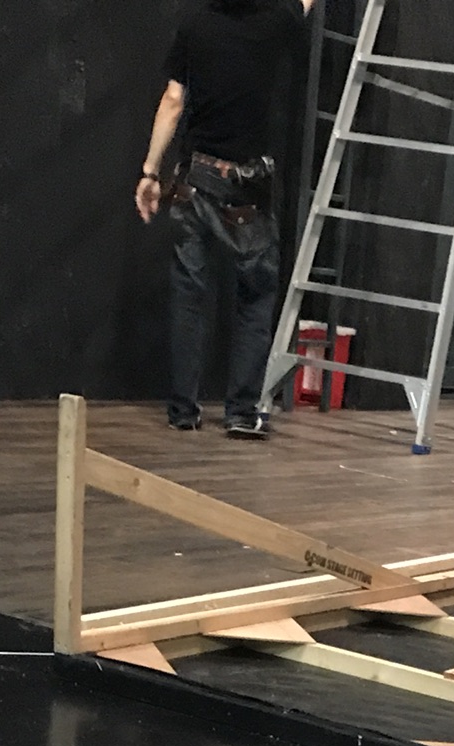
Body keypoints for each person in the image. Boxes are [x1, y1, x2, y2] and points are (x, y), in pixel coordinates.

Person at [136, 0, 315, 438]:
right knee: (254, 296)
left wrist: (150, 172)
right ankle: (241, 412)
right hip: (247, 186)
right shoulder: (276, 20)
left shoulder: (195, 23)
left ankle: (183, 410)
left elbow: (173, 100)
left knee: (189, 294)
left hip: (194, 178)